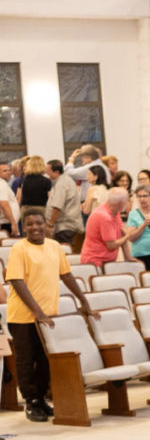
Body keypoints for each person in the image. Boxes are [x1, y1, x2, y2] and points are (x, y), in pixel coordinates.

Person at [4, 208, 95, 422]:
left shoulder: (55, 246)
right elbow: (16, 281)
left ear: (46, 225)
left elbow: (66, 275)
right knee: (27, 360)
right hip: (23, 316)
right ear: (24, 227)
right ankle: (31, 401)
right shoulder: (19, 248)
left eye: (39, 223)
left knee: (46, 360)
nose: (35, 227)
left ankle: (42, 398)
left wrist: (84, 301)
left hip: (47, 316)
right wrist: (37, 312)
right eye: (30, 224)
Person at [80, 187, 129, 268]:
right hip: (96, 262)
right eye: (126, 201)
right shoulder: (104, 217)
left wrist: (128, 257)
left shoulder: (115, 213)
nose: (127, 203)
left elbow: (121, 234)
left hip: (107, 262)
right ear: (120, 203)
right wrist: (128, 236)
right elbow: (111, 245)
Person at [45, 159, 83, 247]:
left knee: (64, 252)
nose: (47, 174)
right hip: (67, 226)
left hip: (65, 227)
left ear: (56, 172)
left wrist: (50, 225)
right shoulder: (65, 180)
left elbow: (57, 206)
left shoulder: (61, 184)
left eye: (48, 172)